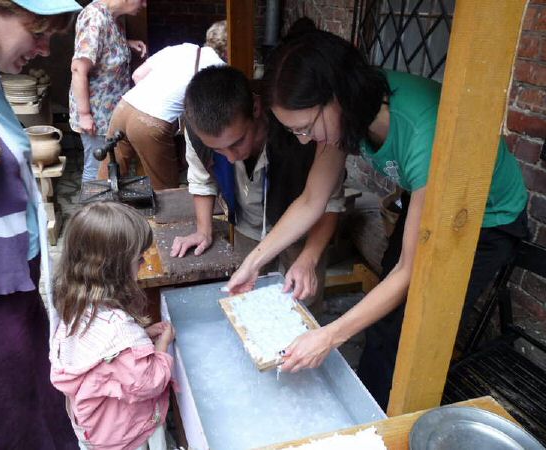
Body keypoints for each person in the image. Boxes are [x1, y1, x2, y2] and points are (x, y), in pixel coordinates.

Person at [226, 28, 529, 409]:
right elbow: (312, 200)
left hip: (486, 218)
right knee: (384, 317)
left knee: (413, 325)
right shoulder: (350, 111)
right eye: (293, 131)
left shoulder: (425, 134)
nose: (303, 140)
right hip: (434, 196)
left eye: (304, 128)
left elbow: (407, 271)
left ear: (337, 98)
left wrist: (329, 336)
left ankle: (394, 419)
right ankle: (369, 406)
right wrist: (252, 264)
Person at [0, 0, 82, 447]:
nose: (44, 50)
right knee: (0, 426)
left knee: (35, 407)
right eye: (36, 31)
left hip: (10, 286)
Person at [170, 65, 346, 307]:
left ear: (255, 107)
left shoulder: (305, 131)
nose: (231, 157)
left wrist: (309, 258)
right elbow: (202, 179)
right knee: (248, 300)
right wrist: (203, 230)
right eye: (218, 149)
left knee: (304, 301)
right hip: (248, 228)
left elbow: (329, 202)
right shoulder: (198, 130)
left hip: (306, 232)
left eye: (237, 142)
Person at [50, 201, 175, 450]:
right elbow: (149, 382)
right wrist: (161, 347)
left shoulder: (74, 303)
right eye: (138, 258)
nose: (143, 263)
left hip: (95, 427)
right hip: (127, 436)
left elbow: (106, 358)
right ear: (113, 269)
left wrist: (142, 337)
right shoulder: (119, 330)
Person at [97, 20, 227, 190]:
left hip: (124, 107)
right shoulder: (219, 69)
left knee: (108, 180)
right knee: (164, 189)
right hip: (150, 122)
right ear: (228, 48)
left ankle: (97, 206)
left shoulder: (182, 48)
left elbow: (137, 75)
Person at [69, 0, 147, 182]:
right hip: (96, 113)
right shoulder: (94, 17)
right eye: (142, 0)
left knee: (109, 168)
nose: (144, 5)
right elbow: (79, 69)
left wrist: (127, 44)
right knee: (97, 169)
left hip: (110, 111)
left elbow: (102, 47)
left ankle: (108, 201)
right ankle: (91, 202)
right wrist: (85, 114)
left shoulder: (113, 17)